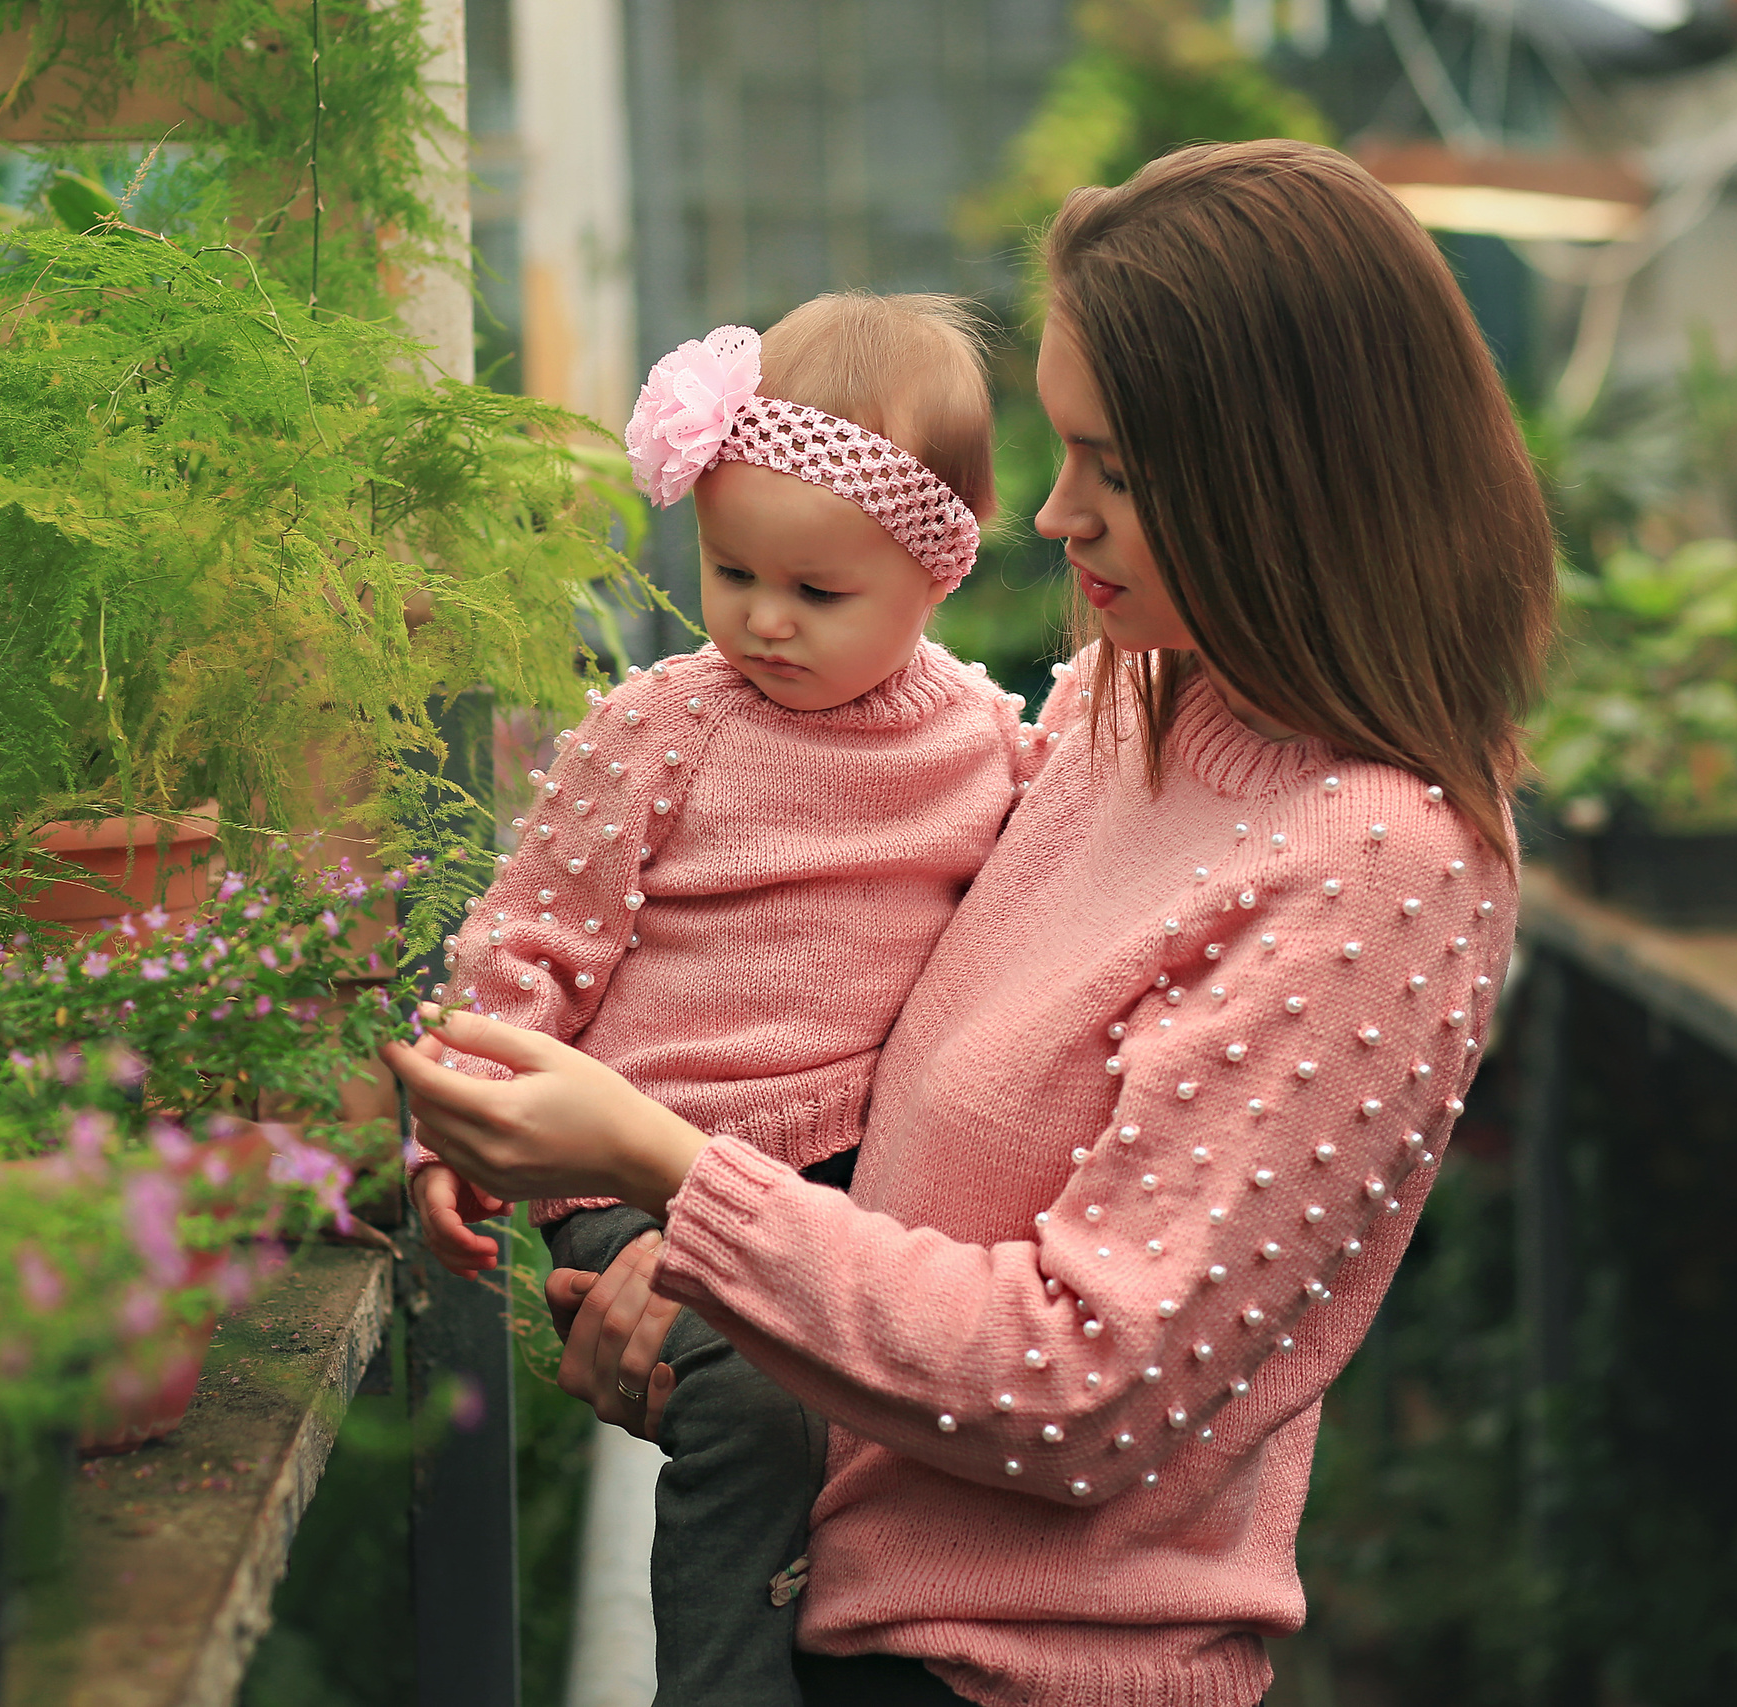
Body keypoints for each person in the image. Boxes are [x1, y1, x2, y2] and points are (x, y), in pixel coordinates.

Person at [388, 139, 1557, 1707]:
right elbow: (903, 1198)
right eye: (1062, 451)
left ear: (1290, 473)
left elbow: (1084, 1385)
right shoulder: (1100, 716)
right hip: (834, 1611)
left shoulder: (1380, 868)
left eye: (1120, 471)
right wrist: (685, 1284)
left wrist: (666, 1169)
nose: (1057, 516)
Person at [412, 293, 1039, 1706]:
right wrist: (454, 1128)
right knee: (753, 1405)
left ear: (936, 575)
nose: (762, 619)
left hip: (848, 1186)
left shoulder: (992, 748)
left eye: (819, 595)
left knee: (879, 1423)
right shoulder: (662, 729)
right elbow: (524, 944)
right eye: (730, 569)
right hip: (635, 1150)